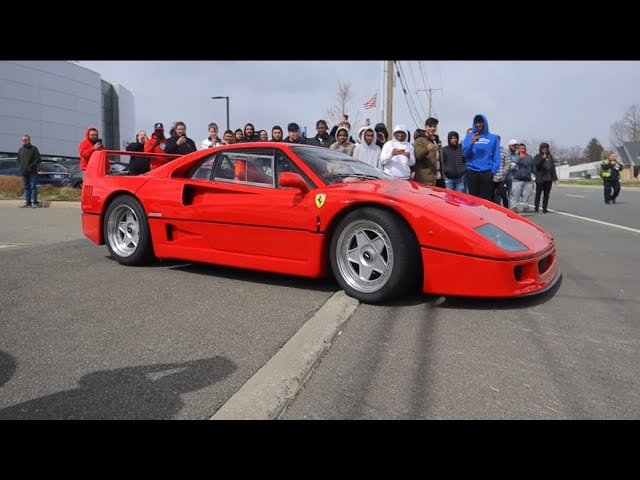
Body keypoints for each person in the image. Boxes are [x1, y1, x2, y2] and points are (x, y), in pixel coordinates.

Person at [462, 114, 501, 200]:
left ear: (484, 123)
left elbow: (497, 156)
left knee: (486, 199)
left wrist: (492, 171)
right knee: (473, 200)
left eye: (480, 122)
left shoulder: (493, 138)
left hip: (486, 172)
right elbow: (465, 155)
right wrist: (471, 143)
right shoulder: (469, 137)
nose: (478, 125)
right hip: (472, 172)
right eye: (476, 123)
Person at [413, 117, 441, 186]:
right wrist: (426, 149)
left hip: (436, 177)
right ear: (425, 127)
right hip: (424, 179)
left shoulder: (436, 140)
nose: (432, 128)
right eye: (430, 126)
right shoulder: (420, 140)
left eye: (434, 126)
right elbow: (418, 155)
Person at [17, 134, 42, 208]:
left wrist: (31, 166)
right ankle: (28, 203)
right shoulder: (20, 150)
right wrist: (20, 166)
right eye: (22, 140)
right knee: (26, 187)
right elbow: (18, 160)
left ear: (28, 140)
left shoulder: (34, 149)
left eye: (25, 140)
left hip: (32, 172)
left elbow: (38, 159)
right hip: (24, 171)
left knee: (33, 187)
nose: (23, 141)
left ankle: (35, 202)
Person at [533, 142, 558, 213]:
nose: (545, 149)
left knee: (546, 195)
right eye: (543, 148)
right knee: (538, 194)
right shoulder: (537, 156)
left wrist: (555, 178)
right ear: (541, 149)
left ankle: (545, 208)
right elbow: (537, 166)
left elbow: (553, 167)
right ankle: (536, 208)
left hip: (548, 179)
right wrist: (542, 159)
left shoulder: (550, 157)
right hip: (540, 179)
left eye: (546, 148)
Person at [510, 143, 535, 213]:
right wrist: (519, 159)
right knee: (515, 195)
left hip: (527, 180)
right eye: (520, 148)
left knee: (526, 195)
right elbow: (511, 167)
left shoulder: (530, 158)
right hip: (517, 179)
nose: (522, 150)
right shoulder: (515, 157)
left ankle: (526, 207)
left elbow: (533, 168)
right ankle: (514, 207)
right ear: (518, 149)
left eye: (523, 148)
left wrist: (536, 175)